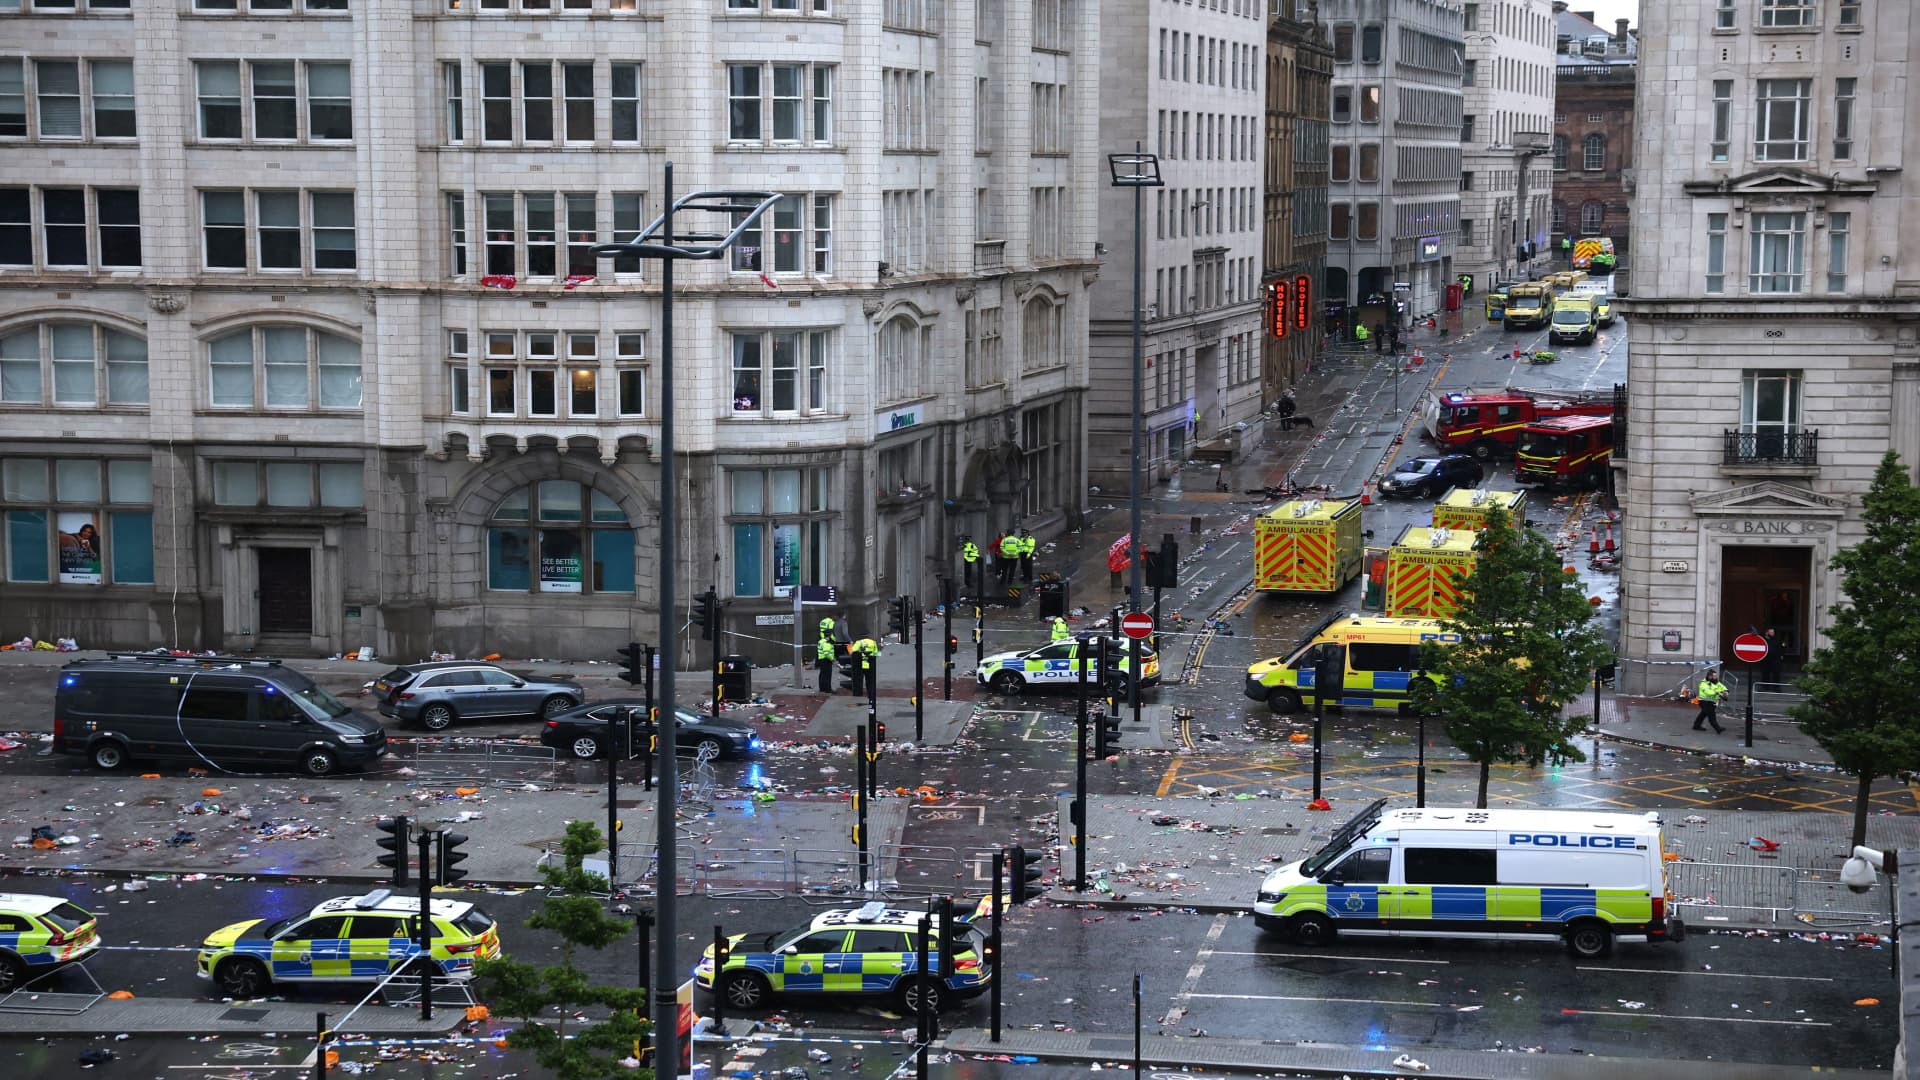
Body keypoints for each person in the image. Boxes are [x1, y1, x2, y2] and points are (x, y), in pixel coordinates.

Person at [1693, 670, 1728, 734]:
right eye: (1714, 676)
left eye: (1716, 675)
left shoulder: (1715, 681)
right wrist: (1718, 693)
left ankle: (1696, 725)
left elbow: (1722, 686)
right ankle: (1718, 729)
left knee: (1703, 714)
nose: (1716, 677)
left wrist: (1726, 691)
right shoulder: (1703, 683)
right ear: (1709, 676)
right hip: (1704, 702)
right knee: (1711, 715)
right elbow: (1708, 692)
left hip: (1711, 702)